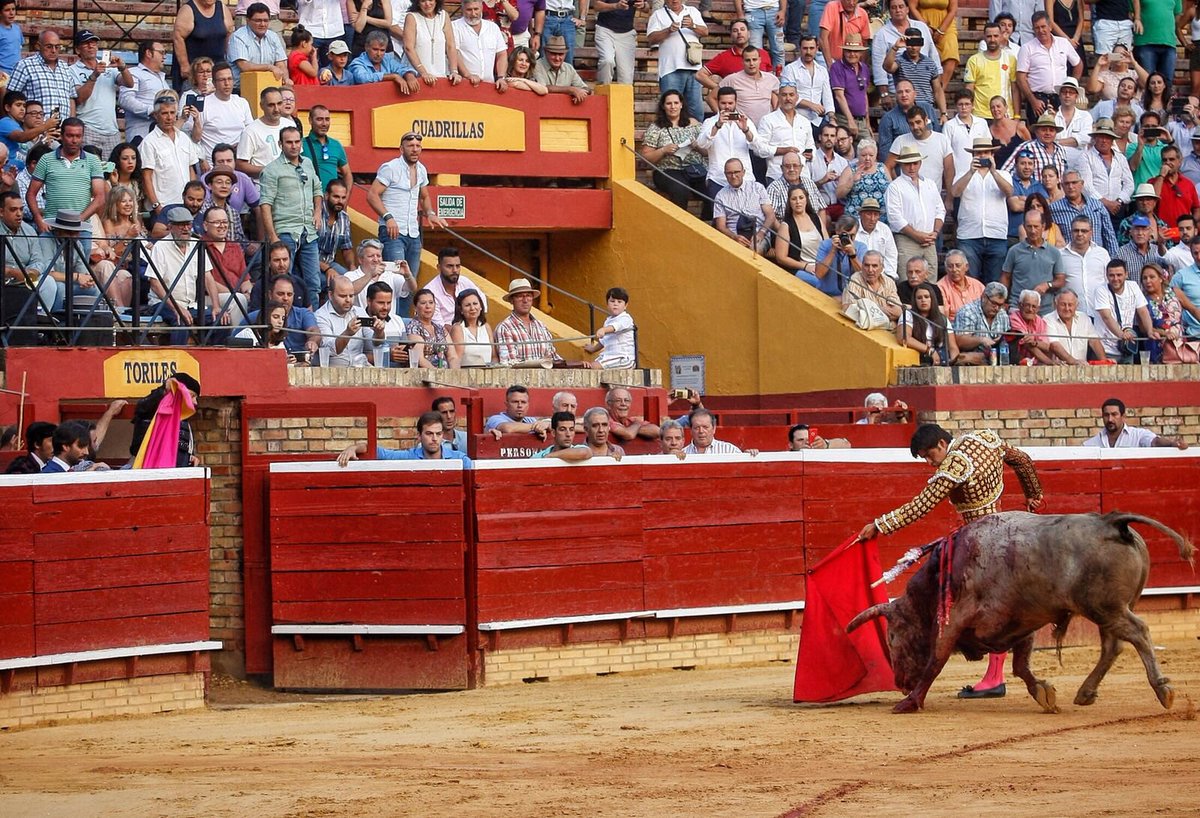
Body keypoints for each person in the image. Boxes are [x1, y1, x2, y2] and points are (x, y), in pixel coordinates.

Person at [855, 422, 1044, 699]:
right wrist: (1034, 495)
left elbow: (922, 505)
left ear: (942, 445)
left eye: (929, 455)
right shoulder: (983, 438)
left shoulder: (954, 467)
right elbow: (1022, 460)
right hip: (1006, 533)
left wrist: (880, 524)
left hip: (981, 547)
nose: (930, 463)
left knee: (967, 604)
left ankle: (991, 677)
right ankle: (995, 674)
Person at [27, 119, 105, 242]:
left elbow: (100, 197)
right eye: (69, 136)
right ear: (62, 136)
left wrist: (80, 219)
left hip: (81, 229)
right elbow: (31, 193)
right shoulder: (46, 159)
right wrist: (38, 219)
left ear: (82, 137)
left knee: (80, 261)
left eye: (78, 136)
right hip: (51, 227)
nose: (74, 140)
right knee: (48, 261)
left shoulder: (93, 161)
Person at [952, 137, 1013, 284]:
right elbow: (955, 192)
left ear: (992, 155)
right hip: (969, 235)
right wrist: (970, 172)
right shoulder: (963, 174)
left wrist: (993, 172)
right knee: (969, 281)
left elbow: (1009, 192)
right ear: (973, 156)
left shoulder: (1003, 174)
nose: (982, 156)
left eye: (985, 152)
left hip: (996, 235)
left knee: (994, 283)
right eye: (978, 153)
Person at [147, 207, 209, 343]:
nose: (186, 228)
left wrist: (216, 307)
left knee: (221, 320)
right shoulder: (160, 247)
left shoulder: (197, 244)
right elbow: (155, 283)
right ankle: (178, 359)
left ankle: (210, 360)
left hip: (191, 304)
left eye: (188, 224)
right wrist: (176, 308)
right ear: (170, 226)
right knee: (181, 321)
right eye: (181, 225)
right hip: (163, 303)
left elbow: (208, 276)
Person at [640, 90, 706, 211]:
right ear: (663, 106)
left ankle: (707, 224)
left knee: (710, 189)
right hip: (667, 171)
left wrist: (696, 146)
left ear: (681, 105)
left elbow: (707, 151)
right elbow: (646, 157)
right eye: (669, 103)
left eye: (676, 103)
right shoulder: (656, 127)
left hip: (694, 169)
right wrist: (663, 150)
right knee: (680, 190)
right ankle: (680, 226)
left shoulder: (694, 123)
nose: (673, 106)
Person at [70, 31, 133, 158]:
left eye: (93, 43)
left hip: (112, 130)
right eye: (86, 43)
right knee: (90, 172)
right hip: (88, 128)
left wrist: (123, 67)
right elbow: (79, 98)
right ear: (77, 49)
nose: (91, 46)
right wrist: (94, 76)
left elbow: (129, 83)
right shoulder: (72, 70)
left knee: (111, 172)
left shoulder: (108, 67)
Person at [646, 0, 708, 128]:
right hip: (670, 69)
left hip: (693, 68)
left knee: (695, 110)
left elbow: (705, 32)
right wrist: (668, 30)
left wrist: (693, 26)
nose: (674, 0)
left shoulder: (692, 11)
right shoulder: (658, 14)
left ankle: (696, 143)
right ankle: (670, 140)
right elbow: (651, 39)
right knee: (669, 110)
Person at [885, 145, 944, 273]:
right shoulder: (895, 187)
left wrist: (935, 232)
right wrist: (917, 235)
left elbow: (940, 210)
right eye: (907, 164)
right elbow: (894, 217)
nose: (912, 167)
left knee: (930, 280)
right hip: (907, 240)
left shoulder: (930, 184)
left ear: (920, 163)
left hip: (929, 239)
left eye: (914, 163)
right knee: (907, 279)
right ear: (901, 165)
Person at [337, 411, 473, 466]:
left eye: (438, 434)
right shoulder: (409, 456)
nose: (434, 438)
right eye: (429, 434)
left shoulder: (459, 459)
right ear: (419, 436)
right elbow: (378, 451)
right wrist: (353, 447)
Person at [140, 96, 201, 217]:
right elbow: (146, 177)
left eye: (172, 113)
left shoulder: (184, 138)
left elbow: (190, 170)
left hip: (186, 205)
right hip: (164, 206)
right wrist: (157, 206)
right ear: (156, 115)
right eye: (164, 113)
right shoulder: (149, 142)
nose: (169, 117)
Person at [1015, 11, 1081, 122]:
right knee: (1037, 133)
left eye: (1043, 26)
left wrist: (1072, 85)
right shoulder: (1027, 48)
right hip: (1038, 99)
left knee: (1061, 132)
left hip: (1060, 97)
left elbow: (1078, 64)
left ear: (1050, 26)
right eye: (1037, 28)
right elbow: (1020, 77)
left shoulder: (1063, 43)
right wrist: (1032, 100)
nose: (1041, 31)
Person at [697, 18, 772, 113]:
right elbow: (700, 75)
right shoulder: (724, 57)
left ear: (749, 33)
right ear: (731, 36)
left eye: (742, 29)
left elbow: (771, 85)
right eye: (735, 31)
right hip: (737, 113)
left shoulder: (763, 54)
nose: (739, 33)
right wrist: (721, 89)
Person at [1002, 208, 1064, 314]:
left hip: (1045, 310)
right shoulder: (1014, 251)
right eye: (1029, 226)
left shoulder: (1054, 252)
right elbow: (1005, 277)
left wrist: (1047, 285)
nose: (1033, 230)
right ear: (1024, 227)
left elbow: (1061, 280)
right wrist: (1003, 301)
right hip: (1018, 308)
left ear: (1043, 226)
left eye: (1036, 226)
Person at [1093, 257, 1153, 362]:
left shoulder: (1133, 286)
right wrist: (1121, 335)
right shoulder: (1101, 290)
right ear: (1106, 276)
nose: (1115, 279)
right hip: (1105, 349)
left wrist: (1150, 331)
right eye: (1111, 275)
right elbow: (1106, 317)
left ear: (1126, 274)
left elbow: (1143, 311)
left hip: (1127, 347)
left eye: (1119, 275)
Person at [247, 274, 320, 359]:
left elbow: (314, 331)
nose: (285, 298)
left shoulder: (304, 314)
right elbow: (234, 340)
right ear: (270, 295)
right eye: (281, 294)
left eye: (289, 294)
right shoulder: (254, 316)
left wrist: (312, 341)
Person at [871, 0, 937, 94]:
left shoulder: (922, 27)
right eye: (894, 7)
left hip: (924, 92)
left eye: (901, 6)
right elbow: (879, 67)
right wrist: (884, 94)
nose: (898, 10)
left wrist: (937, 90)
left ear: (907, 9)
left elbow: (934, 56)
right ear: (889, 11)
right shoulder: (882, 34)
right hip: (898, 92)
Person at [1049, 169, 1120, 256]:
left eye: (1074, 182)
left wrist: (1114, 261)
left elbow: (1109, 236)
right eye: (1067, 184)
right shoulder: (1054, 209)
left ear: (1082, 184)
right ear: (1062, 186)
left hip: (1096, 258)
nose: (1071, 187)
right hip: (1069, 259)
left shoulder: (1097, 206)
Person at [713, 158, 777, 251]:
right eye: (729, 173)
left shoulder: (757, 188)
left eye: (737, 172)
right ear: (725, 174)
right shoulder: (720, 196)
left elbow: (770, 215)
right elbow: (721, 226)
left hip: (759, 234)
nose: (734, 176)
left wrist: (761, 233)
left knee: (755, 249)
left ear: (743, 172)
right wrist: (734, 237)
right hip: (734, 237)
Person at [1141, 261, 1199, 363]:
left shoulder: (1175, 292)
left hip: (1179, 344)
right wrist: (1164, 333)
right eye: (1144, 278)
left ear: (1160, 278)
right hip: (1156, 346)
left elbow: (1193, 310)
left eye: (1152, 277)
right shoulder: (1141, 300)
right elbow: (1143, 328)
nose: (1148, 281)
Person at [494, 277, 562, 363]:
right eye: (520, 296)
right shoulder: (505, 328)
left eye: (528, 296)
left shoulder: (541, 326)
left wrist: (577, 364)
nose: (525, 300)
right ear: (511, 300)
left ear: (532, 299)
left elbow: (553, 356)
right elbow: (509, 363)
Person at [882, 27, 945, 120]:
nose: (913, 47)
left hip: (926, 108)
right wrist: (895, 47)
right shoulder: (899, 61)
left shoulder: (930, 63)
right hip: (906, 108)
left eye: (917, 43)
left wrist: (944, 113)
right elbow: (887, 67)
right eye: (911, 43)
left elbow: (938, 90)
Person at [1079, 118, 1134, 222]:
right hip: (1094, 208)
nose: (1104, 140)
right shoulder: (1085, 156)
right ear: (1095, 137)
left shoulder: (1120, 158)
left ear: (1112, 140)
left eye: (1107, 137)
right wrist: (1105, 202)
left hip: (1118, 208)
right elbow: (1085, 185)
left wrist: (1119, 201)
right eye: (1101, 136)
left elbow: (1129, 184)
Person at [235, 87, 293, 179]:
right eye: (271, 105)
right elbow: (240, 165)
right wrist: (269, 170)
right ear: (262, 106)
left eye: (279, 103)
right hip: (263, 187)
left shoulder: (290, 125)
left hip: (289, 184)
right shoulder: (250, 131)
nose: (276, 109)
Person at [1082, 397, 1189, 448]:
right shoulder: (1091, 443)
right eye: (1106, 415)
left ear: (1123, 416)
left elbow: (1155, 442)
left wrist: (1171, 443)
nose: (1110, 419)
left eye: (1114, 414)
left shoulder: (1137, 435)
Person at [174, 0, 234, 89]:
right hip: (195, 71)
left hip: (217, 68)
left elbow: (229, 34)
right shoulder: (188, 10)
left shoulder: (222, 8)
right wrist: (184, 65)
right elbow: (178, 37)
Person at [774, 184, 828, 283]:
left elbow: (827, 244)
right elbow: (781, 258)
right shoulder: (786, 225)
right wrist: (805, 266)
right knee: (819, 283)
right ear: (789, 202)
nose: (798, 202)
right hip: (801, 268)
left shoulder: (816, 218)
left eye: (801, 198)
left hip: (821, 266)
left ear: (806, 200)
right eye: (794, 199)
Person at [228, 2, 289, 89]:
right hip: (242, 88)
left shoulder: (273, 36)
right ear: (248, 20)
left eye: (266, 20)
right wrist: (269, 67)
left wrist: (286, 79)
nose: (263, 24)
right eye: (258, 20)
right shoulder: (238, 37)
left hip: (268, 87)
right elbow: (245, 66)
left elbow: (281, 64)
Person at [1058, 215, 1111, 313]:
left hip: (1100, 314)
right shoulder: (1060, 255)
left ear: (1091, 233)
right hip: (1072, 314)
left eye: (1084, 231)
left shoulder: (1102, 253)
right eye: (1076, 230)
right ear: (1071, 232)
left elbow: (1109, 281)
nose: (1080, 234)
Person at [877, 79, 939, 160]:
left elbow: (938, 136)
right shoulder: (888, 118)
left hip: (930, 160)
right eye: (900, 92)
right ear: (896, 96)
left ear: (915, 94)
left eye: (907, 91)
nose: (904, 95)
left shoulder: (928, 109)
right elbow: (885, 152)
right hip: (903, 167)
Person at [965, 23, 1017, 120]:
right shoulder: (974, 60)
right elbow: (969, 90)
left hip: (1005, 115)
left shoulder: (1010, 59)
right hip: (980, 116)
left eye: (996, 36)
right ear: (984, 37)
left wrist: (1017, 116)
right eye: (989, 36)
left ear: (1001, 36)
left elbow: (1015, 89)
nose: (992, 40)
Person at [952, 281, 1012, 364]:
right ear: (984, 297)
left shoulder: (1003, 315)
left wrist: (1001, 340)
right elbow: (960, 341)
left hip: (997, 360)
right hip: (971, 362)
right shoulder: (967, 311)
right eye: (994, 303)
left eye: (1000, 305)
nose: (997, 308)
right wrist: (981, 340)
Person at [781, 36, 832, 131]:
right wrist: (811, 105)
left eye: (811, 48)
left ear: (817, 48)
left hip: (818, 120)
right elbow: (787, 96)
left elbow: (827, 96)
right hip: (796, 119)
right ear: (800, 48)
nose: (808, 52)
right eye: (805, 48)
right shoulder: (790, 69)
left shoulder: (822, 70)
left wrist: (832, 116)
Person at [315, 275, 368, 366]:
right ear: (330, 295)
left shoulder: (359, 311)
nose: (348, 300)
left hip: (360, 368)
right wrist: (347, 333)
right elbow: (330, 350)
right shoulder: (320, 316)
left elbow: (375, 344)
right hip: (333, 372)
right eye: (343, 296)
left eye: (351, 296)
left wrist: (379, 332)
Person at [404, 0, 461, 84]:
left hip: (440, 76)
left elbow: (450, 46)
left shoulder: (443, 16)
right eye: (423, 1)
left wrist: (454, 71)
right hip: (417, 78)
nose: (427, 4)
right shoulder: (412, 17)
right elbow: (408, 48)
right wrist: (424, 73)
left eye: (430, 0)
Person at [1043, 287, 1106, 363]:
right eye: (1063, 304)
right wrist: (1074, 362)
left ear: (1077, 305)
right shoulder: (1048, 319)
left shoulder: (1084, 318)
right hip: (1058, 370)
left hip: (1082, 370)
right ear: (1055, 304)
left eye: (1070, 305)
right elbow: (1054, 345)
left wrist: (1104, 362)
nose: (1067, 308)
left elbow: (1095, 342)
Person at [829, 32, 872, 141]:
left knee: (869, 149)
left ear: (861, 53)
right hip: (844, 119)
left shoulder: (864, 68)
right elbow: (839, 96)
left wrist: (868, 122)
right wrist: (850, 120)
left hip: (862, 120)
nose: (852, 54)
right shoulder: (837, 67)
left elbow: (864, 95)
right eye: (849, 50)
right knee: (845, 151)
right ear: (844, 51)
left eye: (856, 51)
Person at [454, 0, 508, 85]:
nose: (473, 13)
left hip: (489, 84)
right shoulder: (454, 27)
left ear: (482, 8)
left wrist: (501, 77)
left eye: (476, 9)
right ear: (462, 9)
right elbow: (454, 53)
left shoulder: (493, 27)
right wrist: (468, 75)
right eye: (469, 10)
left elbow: (502, 54)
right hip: (465, 84)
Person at [1001, 112, 1068, 179]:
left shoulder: (1061, 149)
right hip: (1033, 189)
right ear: (1036, 132)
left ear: (1055, 133)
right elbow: (1005, 172)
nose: (1048, 133)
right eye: (1044, 130)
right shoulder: (1026, 147)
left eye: (1051, 130)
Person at [584, 287, 637, 369]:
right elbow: (604, 341)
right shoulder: (608, 321)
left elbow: (616, 326)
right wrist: (593, 349)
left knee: (592, 367)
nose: (615, 304)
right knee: (587, 366)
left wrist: (603, 330)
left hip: (623, 358)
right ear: (607, 304)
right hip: (609, 356)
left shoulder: (626, 318)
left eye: (619, 302)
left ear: (625, 305)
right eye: (612, 301)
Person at [348, 29, 420, 88]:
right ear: (366, 47)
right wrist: (393, 76)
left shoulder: (387, 59)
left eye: (382, 50)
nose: (379, 54)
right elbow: (362, 78)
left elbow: (401, 68)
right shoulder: (357, 63)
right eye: (375, 49)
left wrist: (409, 75)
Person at [1133, 0, 1182, 84]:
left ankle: (1165, 98)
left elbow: (1177, 15)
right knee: (1146, 81)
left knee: (1167, 82)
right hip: (1145, 42)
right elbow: (1131, 13)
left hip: (1169, 42)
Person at [532, 36, 589, 103]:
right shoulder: (536, 65)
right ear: (545, 52)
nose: (557, 58)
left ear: (565, 54)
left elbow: (586, 88)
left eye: (561, 54)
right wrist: (571, 90)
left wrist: (581, 93)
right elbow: (542, 88)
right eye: (553, 54)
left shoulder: (569, 68)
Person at [854, 197, 898, 280]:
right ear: (860, 214)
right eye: (869, 214)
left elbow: (891, 255)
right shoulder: (853, 229)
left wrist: (889, 276)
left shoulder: (885, 229)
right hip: (857, 275)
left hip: (882, 275)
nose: (872, 218)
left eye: (876, 214)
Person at [818, 0, 872, 68]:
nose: (851, 3)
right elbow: (823, 38)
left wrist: (861, 68)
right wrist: (831, 66)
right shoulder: (831, 7)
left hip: (853, 62)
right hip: (831, 60)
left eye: (854, 0)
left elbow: (864, 44)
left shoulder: (863, 14)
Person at [485, 384, 550, 437]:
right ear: (506, 404)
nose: (520, 405)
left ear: (528, 405)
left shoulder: (531, 420)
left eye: (523, 402)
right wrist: (536, 427)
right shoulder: (494, 419)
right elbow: (508, 428)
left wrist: (546, 425)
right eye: (515, 402)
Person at [936, 249, 984, 322]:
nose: (954, 269)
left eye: (958, 265)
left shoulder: (977, 285)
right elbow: (944, 318)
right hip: (954, 327)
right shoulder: (940, 287)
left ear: (966, 267)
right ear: (946, 269)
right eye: (950, 266)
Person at [450, 289, 493, 366]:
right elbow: (457, 360)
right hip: (467, 374)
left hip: (488, 374)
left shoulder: (486, 327)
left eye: (475, 303)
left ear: (481, 306)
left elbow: (494, 357)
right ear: (461, 310)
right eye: (467, 305)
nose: (472, 308)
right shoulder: (458, 329)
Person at [1173, 233, 1200, 338]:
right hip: (1193, 335)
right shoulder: (1181, 276)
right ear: (1191, 254)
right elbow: (1169, 300)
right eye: (1195, 253)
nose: (1199, 257)